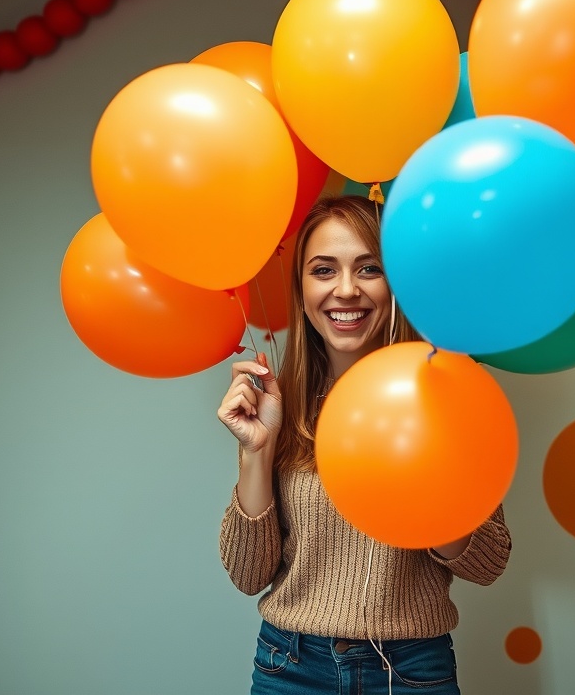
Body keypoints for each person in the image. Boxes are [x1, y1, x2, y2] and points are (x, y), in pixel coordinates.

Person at [217, 195, 512, 695]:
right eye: (324, 270)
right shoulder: (277, 402)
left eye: (369, 268)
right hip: (289, 667)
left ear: (395, 281)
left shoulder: (445, 394)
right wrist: (258, 451)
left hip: (411, 671)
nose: (346, 290)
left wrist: (421, 476)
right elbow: (248, 574)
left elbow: (488, 562)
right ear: (302, 288)